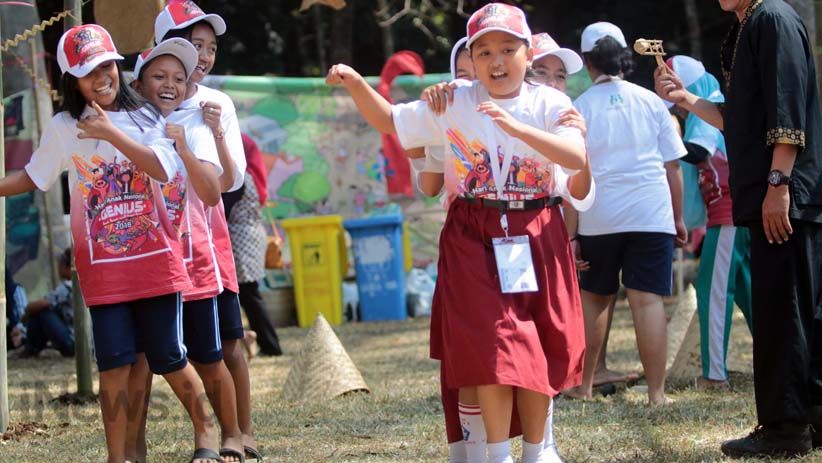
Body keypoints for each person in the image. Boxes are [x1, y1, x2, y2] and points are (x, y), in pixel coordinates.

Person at [327, 4, 588, 462]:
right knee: (493, 344)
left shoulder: (551, 103)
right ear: (472, 57)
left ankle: (537, 451)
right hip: (473, 232)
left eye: (508, 48)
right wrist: (354, 82)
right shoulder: (454, 101)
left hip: (537, 227)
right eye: (484, 51)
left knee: (540, 341)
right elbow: (391, 120)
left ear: (528, 53)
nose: (497, 60)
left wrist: (515, 126)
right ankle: (494, 453)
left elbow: (574, 156)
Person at [0, 24, 219, 463]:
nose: (101, 77)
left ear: (117, 66)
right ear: (71, 80)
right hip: (103, 271)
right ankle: (118, 458)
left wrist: (108, 133)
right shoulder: (65, 126)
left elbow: (160, 167)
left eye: (106, 66)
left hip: (156, 263)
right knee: (114, 367)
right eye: (88, 71)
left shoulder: (148, 116)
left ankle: (207, 435)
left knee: (169, 357)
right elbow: (34, 176)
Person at [656, 0, 822, 457]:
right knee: (789, 313)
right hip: (775, 194)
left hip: (787, 195)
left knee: (784, 315)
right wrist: (685, 100)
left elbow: (787, 111)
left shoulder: (772, 17)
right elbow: (739, 121)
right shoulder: (748, 25)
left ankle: (785, 430)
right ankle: (808, 420)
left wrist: (778, 185)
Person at [154, 3, 262, 461]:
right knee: (178, 348)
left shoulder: (217, 104)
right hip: (158, 241)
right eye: (194, 45)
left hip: (208, 237)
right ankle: (214, 433)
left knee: (228, 341)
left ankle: (243, 433)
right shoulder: (143, 103)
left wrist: (215, 134)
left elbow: (230, 181)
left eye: (211, 48)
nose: (203, 56)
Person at [132, 38, 244, 463]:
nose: (170, 85)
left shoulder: (194, 123)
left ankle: (230, 435)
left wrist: (183, 145)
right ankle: (133, 445)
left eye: (178, 78)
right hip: (144, 264)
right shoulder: (126, 125)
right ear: (139, 84)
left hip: (193, 260)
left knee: (209, 356)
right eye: (159, 76)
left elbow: (213, 193)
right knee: (141, 360)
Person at [567, 22, 687, 406]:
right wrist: (678, 218)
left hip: (598, 217)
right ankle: (656, 395)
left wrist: (571, 236)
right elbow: (673, 167)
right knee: (647, 301)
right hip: (652, 213)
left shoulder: (578, 109)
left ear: (587, 63)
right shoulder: (651, 101)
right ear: (624, 55)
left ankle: (584, 387)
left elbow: (573, 179)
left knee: (595, 299)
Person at [666, 55, 752, 391]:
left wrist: (663, 147)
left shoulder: (710, 103)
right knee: (749, 291)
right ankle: (786, 361)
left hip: (729, 214)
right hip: (737, 214)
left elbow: (698, 152)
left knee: (713, 291)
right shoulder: (717, 103)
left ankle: (714, 375)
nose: (681, 111)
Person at [222, 134, 283, 357]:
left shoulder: (238, 178)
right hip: (249, 237)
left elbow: (221, 210)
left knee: (248, 294)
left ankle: (269, 344)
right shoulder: (252, 176)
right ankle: (263, 341)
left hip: (240, 240)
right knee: (249, 294)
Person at [19, 248, 75, 358]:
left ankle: (32, 348)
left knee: (41, 311)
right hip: (79, 341)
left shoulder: (68, 286)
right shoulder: (80, 284)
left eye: (60, 264)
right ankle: (32, 347)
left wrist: (24, 317)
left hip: (71, 343)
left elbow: (39, 305)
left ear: (66, 266)